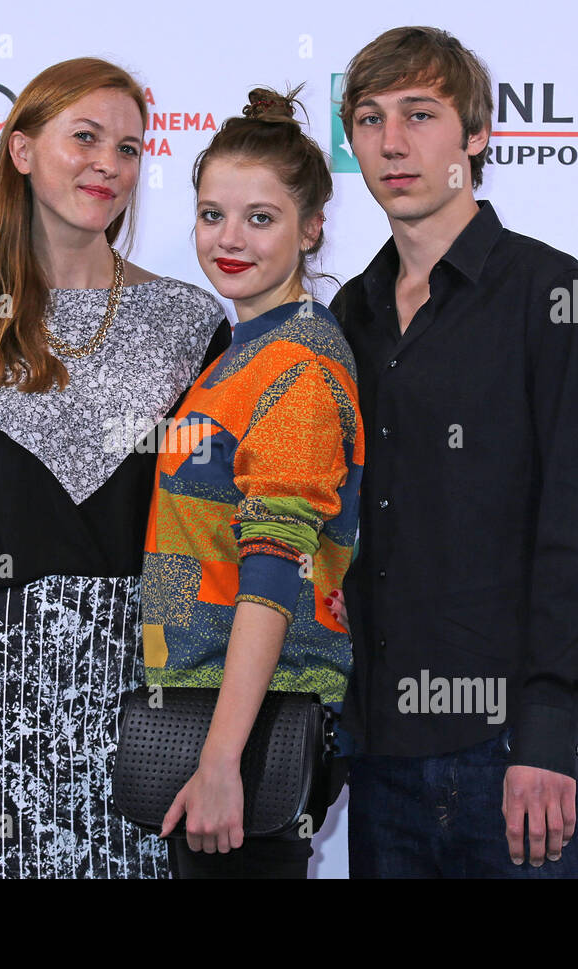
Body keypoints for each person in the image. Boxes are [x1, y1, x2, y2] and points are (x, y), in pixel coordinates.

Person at [0, 57, 229, 879]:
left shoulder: (190, 324)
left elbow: (196, 530)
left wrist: (173, 681)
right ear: (21, 150)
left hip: (141, 698)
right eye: (84, 137)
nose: (109, 165)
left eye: (129, 148)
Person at [329, 26, 578, 877]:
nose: (392, 142)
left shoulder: (551, 293)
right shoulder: (349, 315)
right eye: (372, 118)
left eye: (421, 115)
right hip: (381, 761)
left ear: (477, 136)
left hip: (514, 758)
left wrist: (549, 733)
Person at [141, 86, 364, 879]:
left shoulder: (297, 365)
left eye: (260, 218)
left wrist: (220, 761)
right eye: (211, 215)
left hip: (249, 727)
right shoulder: (241, 351)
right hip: (200, 707)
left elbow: (275, 566)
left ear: (311, 229)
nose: (229, 240)